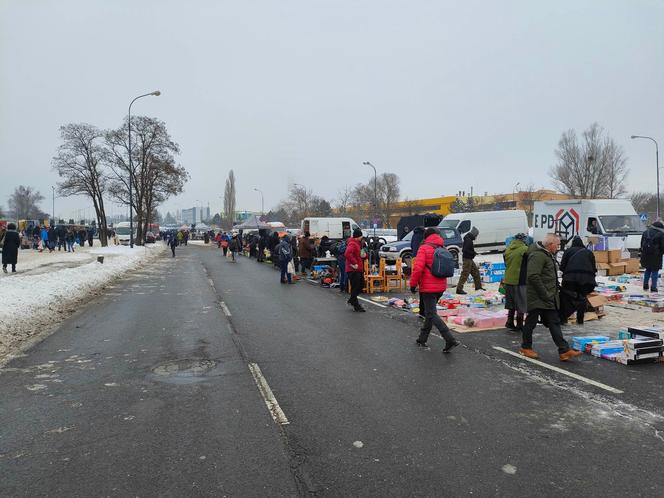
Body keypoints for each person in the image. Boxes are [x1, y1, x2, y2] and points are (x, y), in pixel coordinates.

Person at [519, 233, 582, 361]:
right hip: (538, 297)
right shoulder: (538, 255)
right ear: (550, 244)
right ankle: (526, 347)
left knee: (554, 322)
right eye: (557, 245)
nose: (558, 247)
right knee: (531, 323)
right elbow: (533, 276)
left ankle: (564, 350)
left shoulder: (547, 254)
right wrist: (545, 294)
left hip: (548, 297)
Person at [410, 227, 461, 352]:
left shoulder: (424, 248)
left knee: (432, 314)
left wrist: (413, 284)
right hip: (440, 286)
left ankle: (450, 339)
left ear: (426, 237)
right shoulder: (442, 248)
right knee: (429, 314)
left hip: (428, 287)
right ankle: (422, 339)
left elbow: (418, 268)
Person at [559, 236, 597, 325]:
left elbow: (562, 267)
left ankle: (564, 319)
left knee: (566, 298)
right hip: (586, 281)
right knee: (582, 298)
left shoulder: (568, 251)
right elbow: (594, 268)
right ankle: (580, 320)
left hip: (570, 280)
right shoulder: (588, 252)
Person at [503, 233, 529, 331]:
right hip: (520, 280)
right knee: (521, 303)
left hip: (508, 279)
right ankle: (519, 324)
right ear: (524, 240)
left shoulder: (508, 249)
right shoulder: (525, 250)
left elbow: (506, 263)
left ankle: (509, 322)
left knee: (511, 303)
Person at [345, 228, 367, 312]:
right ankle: (356, 305)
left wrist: (364, 256)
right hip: (353, 269)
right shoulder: (352, 244)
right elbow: (347, 254)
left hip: (358, 269)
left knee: (360, 286)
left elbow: (359, 255)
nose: (362, 238)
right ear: (358, 237)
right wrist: (354, 263)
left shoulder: (357, 244)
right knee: (356, 287)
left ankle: (352, 300)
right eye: (361, 236)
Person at [456, 227, 484, 295]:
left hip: (469, 259)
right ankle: (459, 289)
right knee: (465, 274)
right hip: (467, 259)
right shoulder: (468, 240)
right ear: (474, 234)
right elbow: (465, 250)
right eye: (476, 235)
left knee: (476, 272)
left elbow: (467, 249)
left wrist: (473, 252)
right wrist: (473, 253)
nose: (476, 237)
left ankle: (478, 287)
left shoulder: (468, 239)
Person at [640, 220, 664, 293]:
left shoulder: (645, 232)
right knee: (655, 271)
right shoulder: (661, 234)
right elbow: (662, 246)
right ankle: (653, 287)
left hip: (645, 255)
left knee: (648, 270)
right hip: (656, 255)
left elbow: (641, 244)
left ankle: (645, 285)